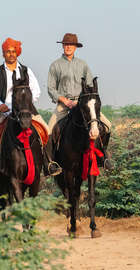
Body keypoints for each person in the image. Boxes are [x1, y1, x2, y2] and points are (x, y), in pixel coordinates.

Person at [0, 37, 61, 176]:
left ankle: (49, 163)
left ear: (17, 53)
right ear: (3, 54)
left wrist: (27, 104)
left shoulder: (26, 70)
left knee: (46, 129)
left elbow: (36, 90)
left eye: (14, 51)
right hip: (4, 111)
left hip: (25, 110)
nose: (11, 54)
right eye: (8, 52)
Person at [47, 33, 112, 169]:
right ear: (63, 46)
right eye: (66, 44)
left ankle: (104, 157)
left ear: (76, 47)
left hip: (83, 104)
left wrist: (83, 101)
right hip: (64, 104)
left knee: (107, 125)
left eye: (71, 44)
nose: (68, 47)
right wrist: (65, 101)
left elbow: (89, 86)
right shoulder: (55, 65)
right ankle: (51, 162)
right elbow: (51, 88)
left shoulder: (83, 65)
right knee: (49, 130)